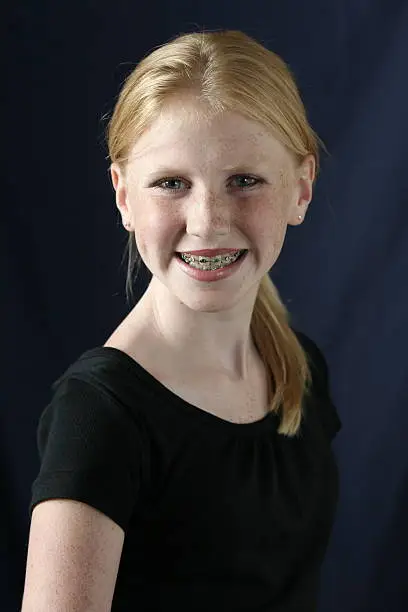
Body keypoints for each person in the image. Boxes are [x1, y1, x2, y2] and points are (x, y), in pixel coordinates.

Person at [21, 29, 341, 612]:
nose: (208, 221)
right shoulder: (102, 415)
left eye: (244, 181)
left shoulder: (299, 368)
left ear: (302, 187)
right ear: (123, 196)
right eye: (172, 183)